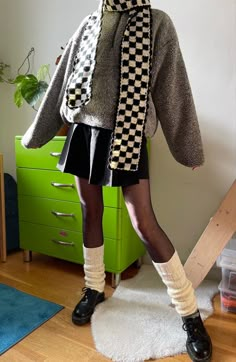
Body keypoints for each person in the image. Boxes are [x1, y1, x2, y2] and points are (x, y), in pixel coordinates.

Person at [22, 0, 212, 361]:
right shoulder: (91, 21)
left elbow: (173, 87)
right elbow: (62, 81)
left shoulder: (158, 23)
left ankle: (188, 312)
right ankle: (94, 289)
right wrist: (37, 133)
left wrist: (189, 149)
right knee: (90, 213)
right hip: (83, 132)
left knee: (144, 223)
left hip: (126, 133)